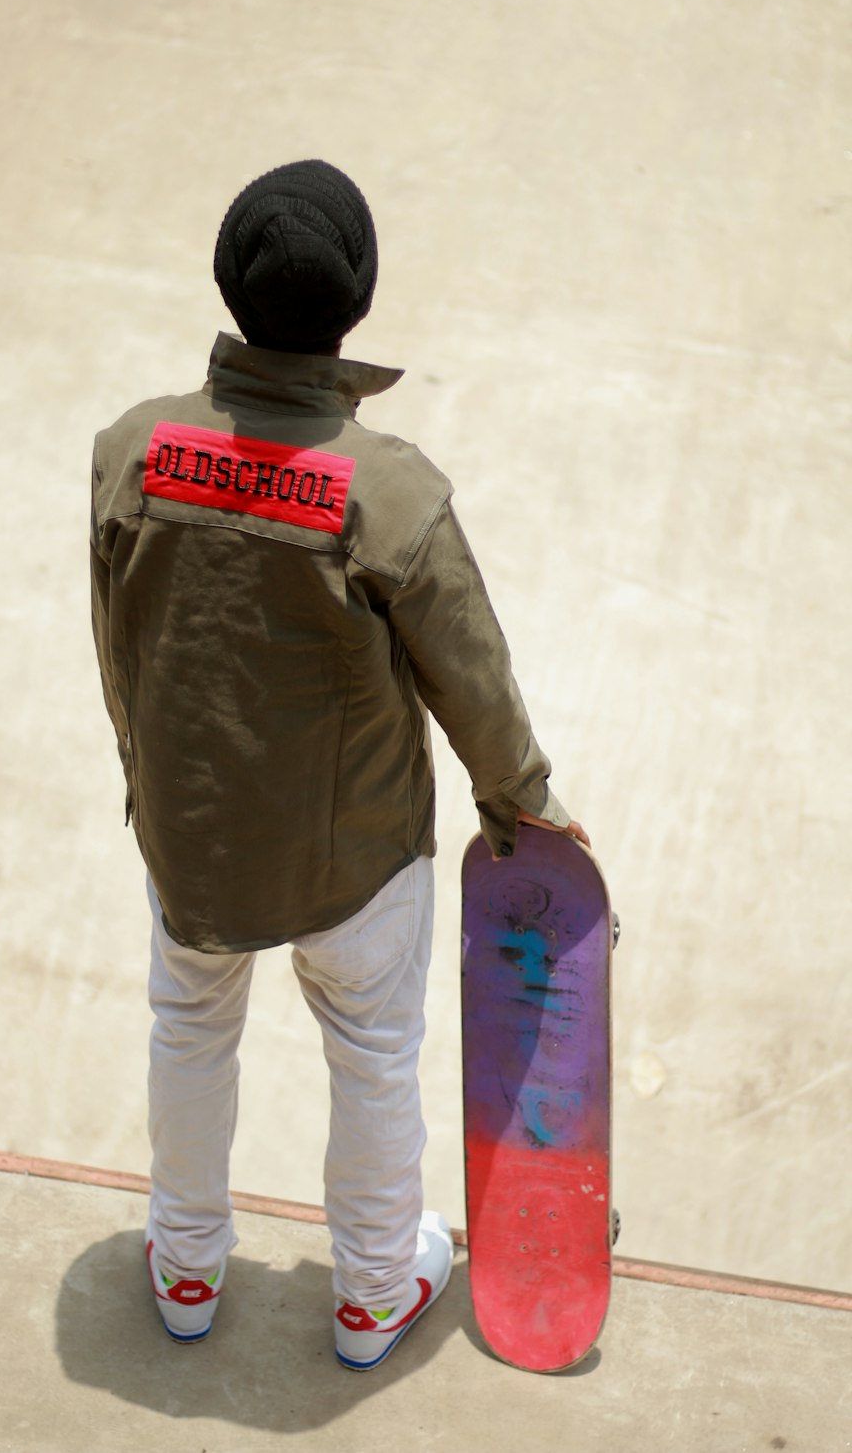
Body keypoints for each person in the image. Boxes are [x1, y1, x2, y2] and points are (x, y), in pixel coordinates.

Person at [89, 159, 587, 1370]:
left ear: (228, 285)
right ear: (356, 305)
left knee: (187, 1031)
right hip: (356, 855)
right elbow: (470, 675)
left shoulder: (131, 452)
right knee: (371, 1052)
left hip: (193, 838)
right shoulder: (391, 492)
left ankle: (188, 1266)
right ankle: (372, 1290)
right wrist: (526, 806)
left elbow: (120, 640)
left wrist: (148, 778)